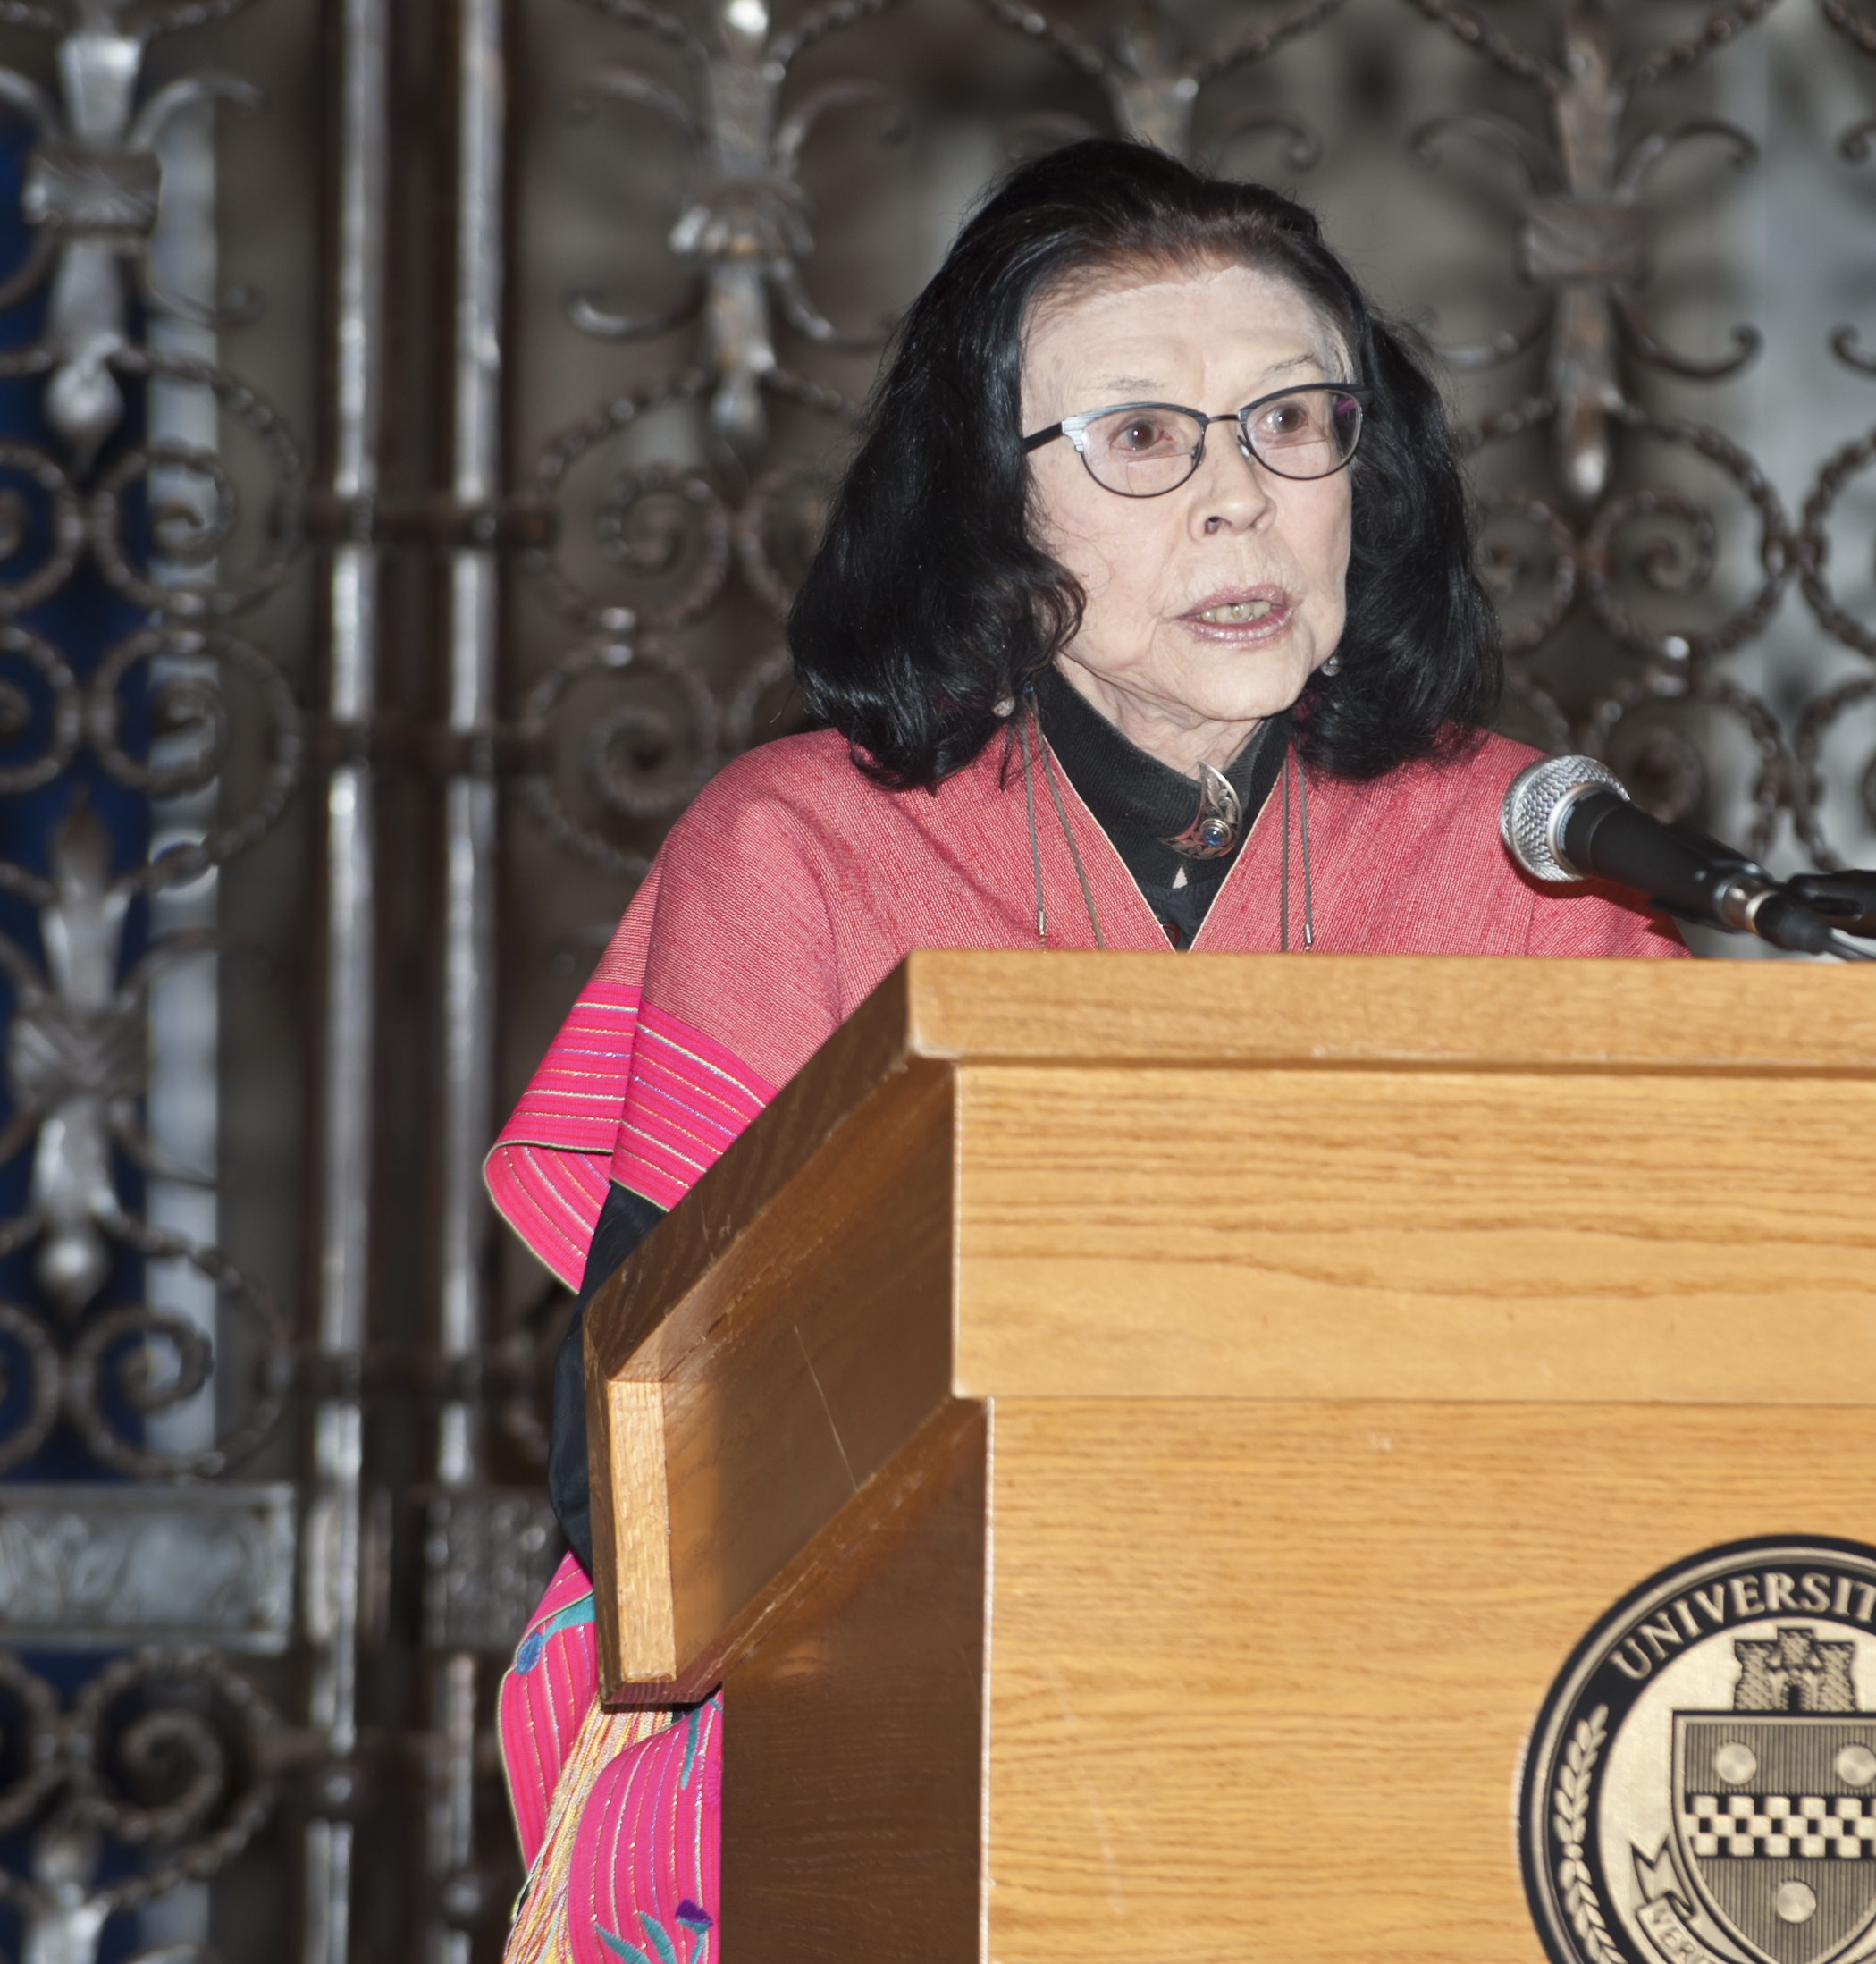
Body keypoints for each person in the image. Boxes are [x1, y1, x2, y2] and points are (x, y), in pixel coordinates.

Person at [481, 139, 1682, 1964]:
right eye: (1139, 441)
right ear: (990, 512)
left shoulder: (1520, 847)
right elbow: (643, 1464)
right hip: (940, 1735)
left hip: (1433, 1729)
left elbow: (1684, 1393)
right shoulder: (805, 849)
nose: (1239, 503)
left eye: (1292, 424)